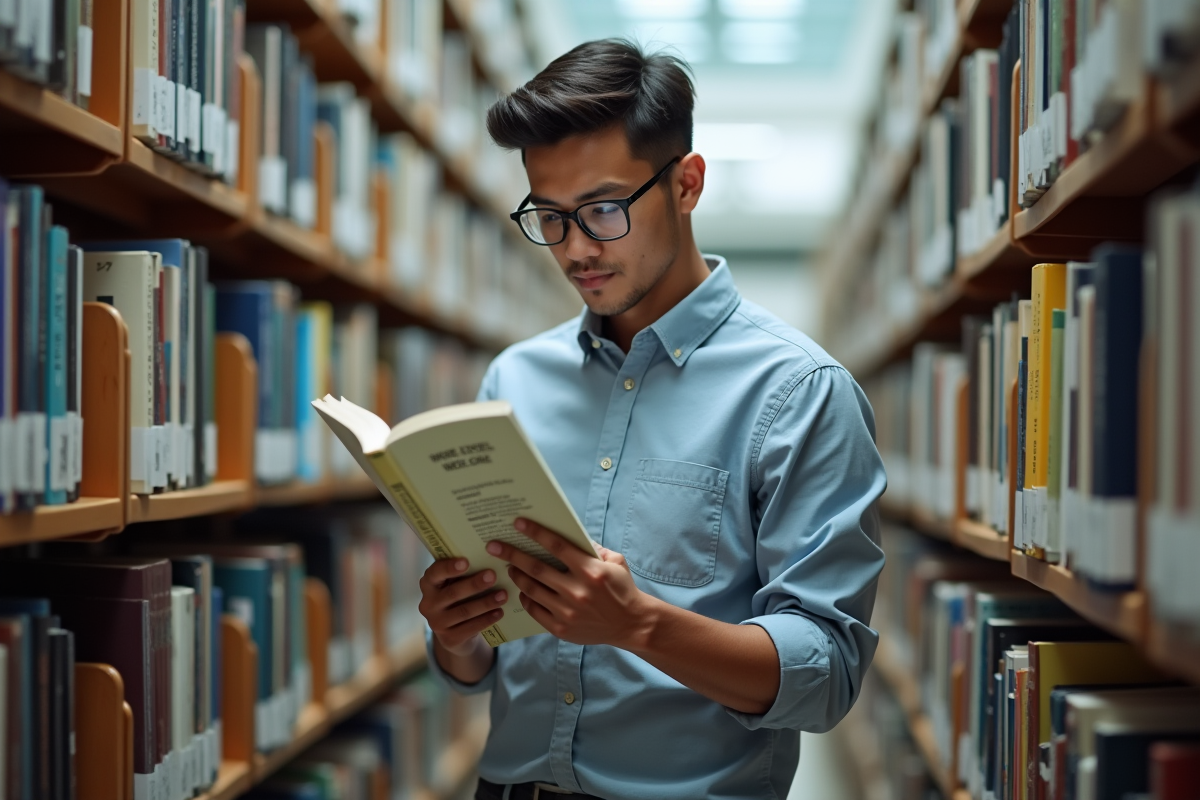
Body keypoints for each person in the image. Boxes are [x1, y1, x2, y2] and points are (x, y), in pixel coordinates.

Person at [418, 39, 886, 800]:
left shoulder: (800, 392)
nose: (575, 249)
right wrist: (455, 634)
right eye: (549, 216)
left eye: (603, 210)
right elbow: (479, 670)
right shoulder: (514, 380)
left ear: (686, 184)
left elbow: (827, 676)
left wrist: (637, 624)